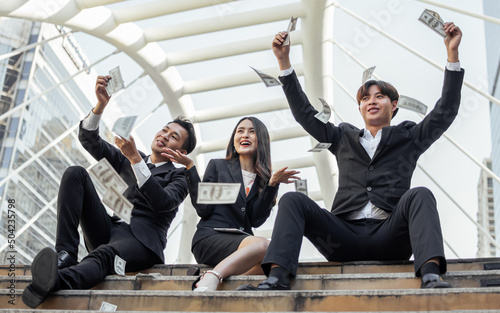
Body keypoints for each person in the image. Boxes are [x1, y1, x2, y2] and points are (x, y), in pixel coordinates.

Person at [237, 22, 464, 291]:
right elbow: (305, 115)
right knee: (293, 200)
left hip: (390, 235)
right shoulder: (342, 136)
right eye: (365, 98)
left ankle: (430, 276)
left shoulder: (409, 136)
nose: (371, 101)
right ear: (360, 108)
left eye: (379, 96)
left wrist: (452, 55)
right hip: (343, 236)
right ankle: (276, 277)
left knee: (421, 194)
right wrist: (284, 62)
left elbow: (445, 112)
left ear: (393, 106)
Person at [22, 75, 197, 308]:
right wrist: (100, 106)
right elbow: (89, 140)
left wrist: (135, 158)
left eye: (173, 136)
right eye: (164, 130)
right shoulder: (128, 158)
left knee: (104, 255)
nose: (164, 136)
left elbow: (163, 202)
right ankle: (65, 255)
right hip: (110, 228)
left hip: (141, 243)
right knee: (76, 173)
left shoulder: (180, 176)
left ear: (182, 151)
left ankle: (55, 281)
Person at [164, 117, 299, 291]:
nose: (245, 135)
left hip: (242, 245)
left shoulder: (263, 181)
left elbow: (256, 220)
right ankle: (212, 277)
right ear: (233, 139)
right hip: (210, 238)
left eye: (252, 131)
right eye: (240, 131)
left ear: (262, 139)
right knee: (265, 245)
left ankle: (214, 282)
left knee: (269, 262)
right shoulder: (218, 166)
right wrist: (190, 167)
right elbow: (203, 209)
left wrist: (272, 185)